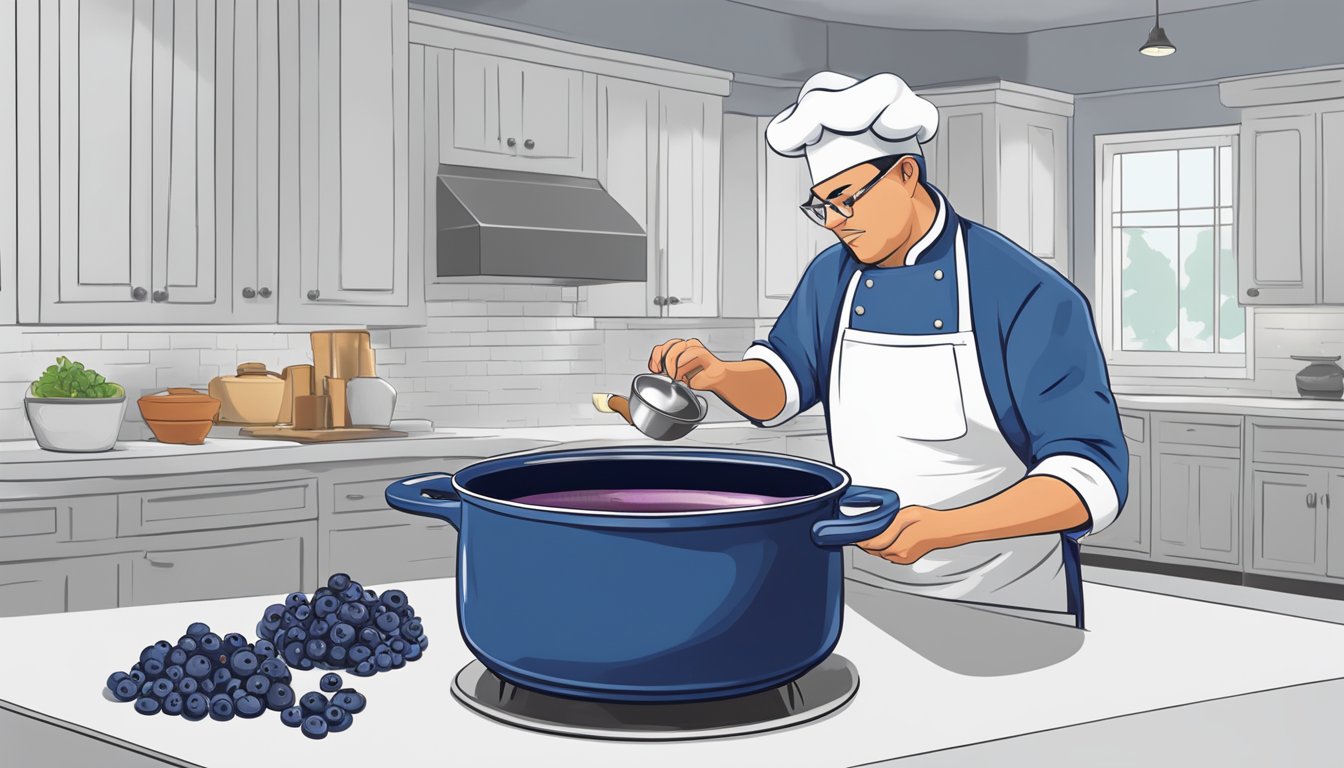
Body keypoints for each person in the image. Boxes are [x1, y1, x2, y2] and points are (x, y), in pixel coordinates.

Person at [649, 71, 1128, 627]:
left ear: (905, 174)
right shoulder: (834, 276)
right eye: (821, 206)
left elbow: (1089, 477)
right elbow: (781, 388)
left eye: (846, 199)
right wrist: (722, 375)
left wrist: (946, 528)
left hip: (1000, 592)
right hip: (858, 578)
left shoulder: (1026, 292)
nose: (834, 224)